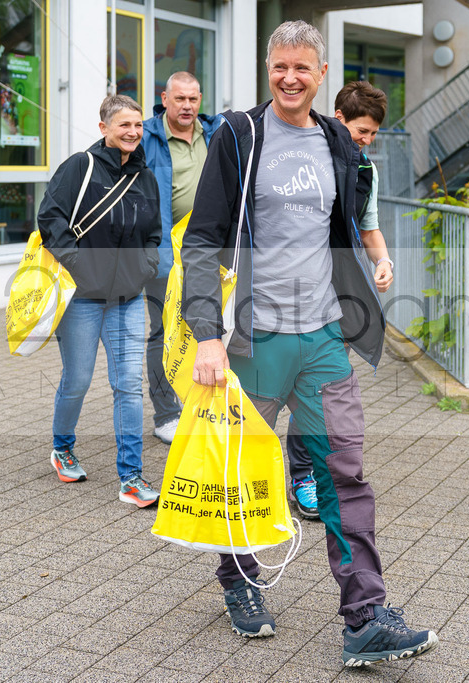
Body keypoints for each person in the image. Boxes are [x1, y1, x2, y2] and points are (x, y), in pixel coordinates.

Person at [180, 20, 438, 667]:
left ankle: (365, 617)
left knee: (343, 473)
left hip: (323, 337)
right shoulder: (239, 136)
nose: (290, 78)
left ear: (322, 74)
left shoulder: (337, 142)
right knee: (243, 470)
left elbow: (348, 225)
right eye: (280, 67)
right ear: (268, 69)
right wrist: (207, 334)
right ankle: (238, 577)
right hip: (256, 339)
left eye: (302, 68)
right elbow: (203, 238)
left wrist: (373, 268)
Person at [37, 94, 162, 508]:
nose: (133, 132)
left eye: (138, 125)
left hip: (127, 297)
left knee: (128, 385)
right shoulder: (81, 167)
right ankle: (62, 447)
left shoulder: (145, 176)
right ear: (104, 127)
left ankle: (131, 477)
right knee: (78, 380)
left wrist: (144, 266)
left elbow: (153, 232)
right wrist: (80, 266)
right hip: (83, 298)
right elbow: (50, 218)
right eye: (124, 125)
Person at [285, 80, 394, 521]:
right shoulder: (305, 156)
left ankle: (306, 475)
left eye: (373, 134)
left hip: (339, 293)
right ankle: (279, 473)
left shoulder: (366, 170)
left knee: (321, 388)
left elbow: (369, 227)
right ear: (338, 118)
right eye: (361, 131)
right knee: (290, 385)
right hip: (290, 291)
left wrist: (382, 261)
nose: (366, 141)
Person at [141, 72, 224, 444]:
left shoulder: (217, 133)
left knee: (211, 330)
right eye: (180, 99)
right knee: (164, 333)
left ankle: (207, 408)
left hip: (211, 252)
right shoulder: (146, 136)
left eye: (193, 99)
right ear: (165, 99)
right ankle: (166, 415)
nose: (187, 106)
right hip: (163, 255)